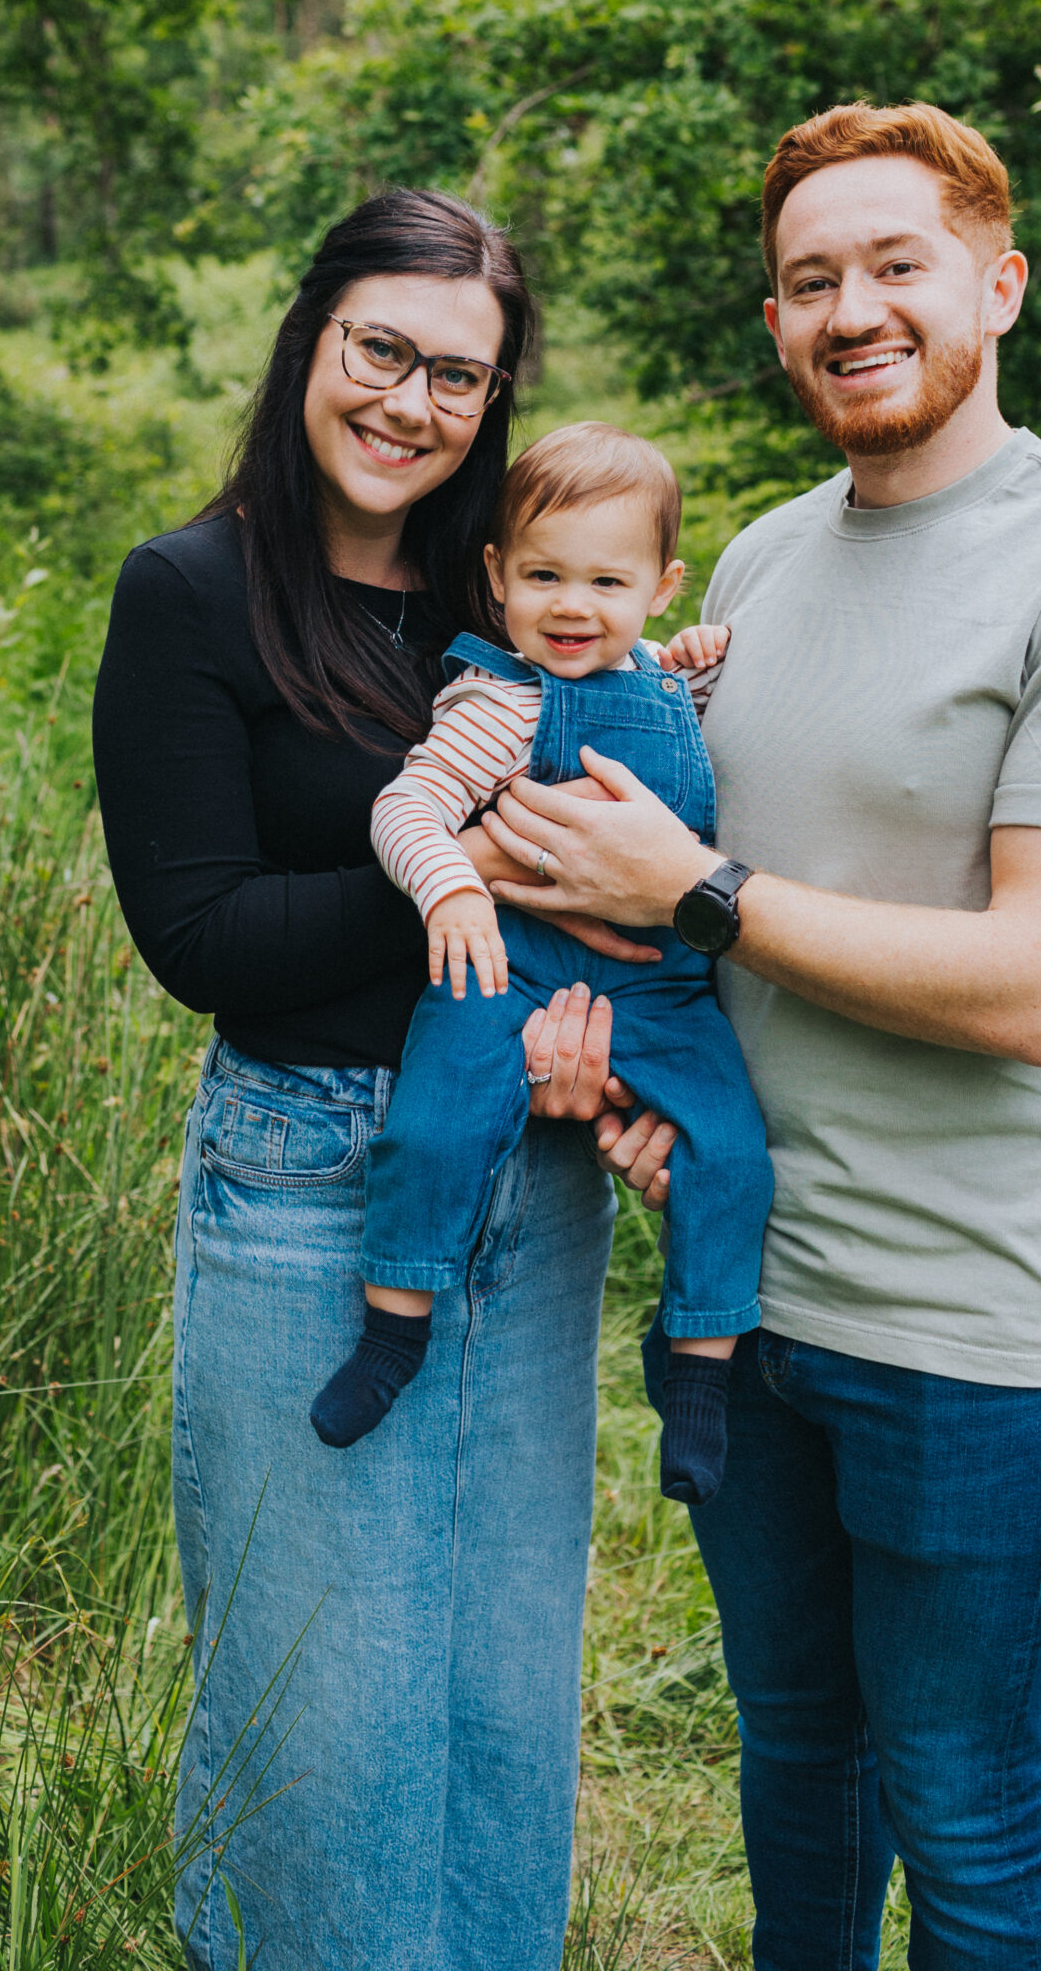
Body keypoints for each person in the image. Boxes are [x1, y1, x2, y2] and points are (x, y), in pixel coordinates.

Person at [476, 102, 1041, 1969]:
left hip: (972, 1338)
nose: (850, 309)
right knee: (796, 1765)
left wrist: (693, 896)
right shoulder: (752, 570)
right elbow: (682, 907)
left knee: (961, 1804)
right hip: (745, 1300)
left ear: (997, 284)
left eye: (893, 265)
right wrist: (621, 1084)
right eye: (809, 280)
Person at [91, 190, 661, 1971]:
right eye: (383, 352)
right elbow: (200, 935)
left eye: (462, 379)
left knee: (500, 1690)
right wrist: (461, 872)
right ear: (312, 339)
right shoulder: (189, 592)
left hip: (531, 1168)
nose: (414, 404)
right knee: (321, 1705)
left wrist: (604, 1024)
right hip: (308, 1171)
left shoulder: (521, 588)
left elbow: (646, 794)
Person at [310, 421, 773, 1511]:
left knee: (733, 1149)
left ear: (661, 587)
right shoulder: (503, 700)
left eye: (607, 580)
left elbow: (693, 750)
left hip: (658, 984)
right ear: (497, 577)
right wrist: (455, 885)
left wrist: (699, 667)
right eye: (545, 575)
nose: (574, 606)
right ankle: (395, 1325)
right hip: (506, 964)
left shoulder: (661, 682)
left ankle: (703, 1371)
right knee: (433, 1125)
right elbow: (406, 805)